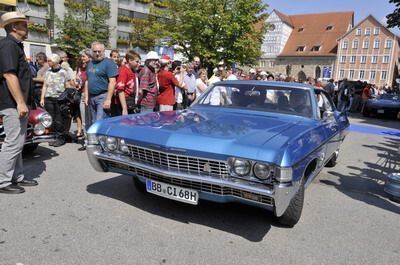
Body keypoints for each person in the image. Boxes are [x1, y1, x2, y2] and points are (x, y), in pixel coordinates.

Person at [0, 11, 38, 193]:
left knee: (18, 142)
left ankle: (17, 177)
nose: (27, 28)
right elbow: (9, 74)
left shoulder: (15, 45)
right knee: (13, 142)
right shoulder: (8, 45)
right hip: (12, 103)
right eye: (24, 25)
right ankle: (3, 182)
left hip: (17, 102)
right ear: (14, 27)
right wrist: (20, 102)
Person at [84, 41, 118, 123]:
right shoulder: (90, 63)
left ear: (104, 51)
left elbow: (112, 82)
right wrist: (86, 96)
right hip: (92, 97)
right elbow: (87, 81)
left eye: (99, 51)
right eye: (95, 51)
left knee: (99, 122)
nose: (97, 53)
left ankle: (101, 136)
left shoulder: (109, 63)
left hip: (103, 96)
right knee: (93, 122)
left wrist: (108, 99)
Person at [40, 54, 70, 147]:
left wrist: (67, 98)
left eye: (50, 61)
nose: (48, 62)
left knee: (59, 118)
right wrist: (42, 98)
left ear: (55, 61)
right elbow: (45, 85)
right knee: (51, 118)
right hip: (49, 98)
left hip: (59, 98)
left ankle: (60, 137)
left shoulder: (63, 72)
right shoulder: (48, 72)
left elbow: (67, 86)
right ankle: (52, 136)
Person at [116, 50, 141, 115]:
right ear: (130, 60)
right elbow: (120, 90)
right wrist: (124, 108)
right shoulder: (123, 71)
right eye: (137, 62)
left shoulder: (132, 70)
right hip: (125, 101)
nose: (139, 64)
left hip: (131, 99)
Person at [76, 48, 92, 151]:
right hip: (82, 95)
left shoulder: (92, 67)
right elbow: (78, 83)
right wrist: (77, 81)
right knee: (85, 120)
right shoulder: (81, 68)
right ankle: (86, 141)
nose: (82, 58)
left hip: (91, 96)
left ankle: (93, 141)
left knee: (92, 120)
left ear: (89, 57)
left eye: (84, 56)